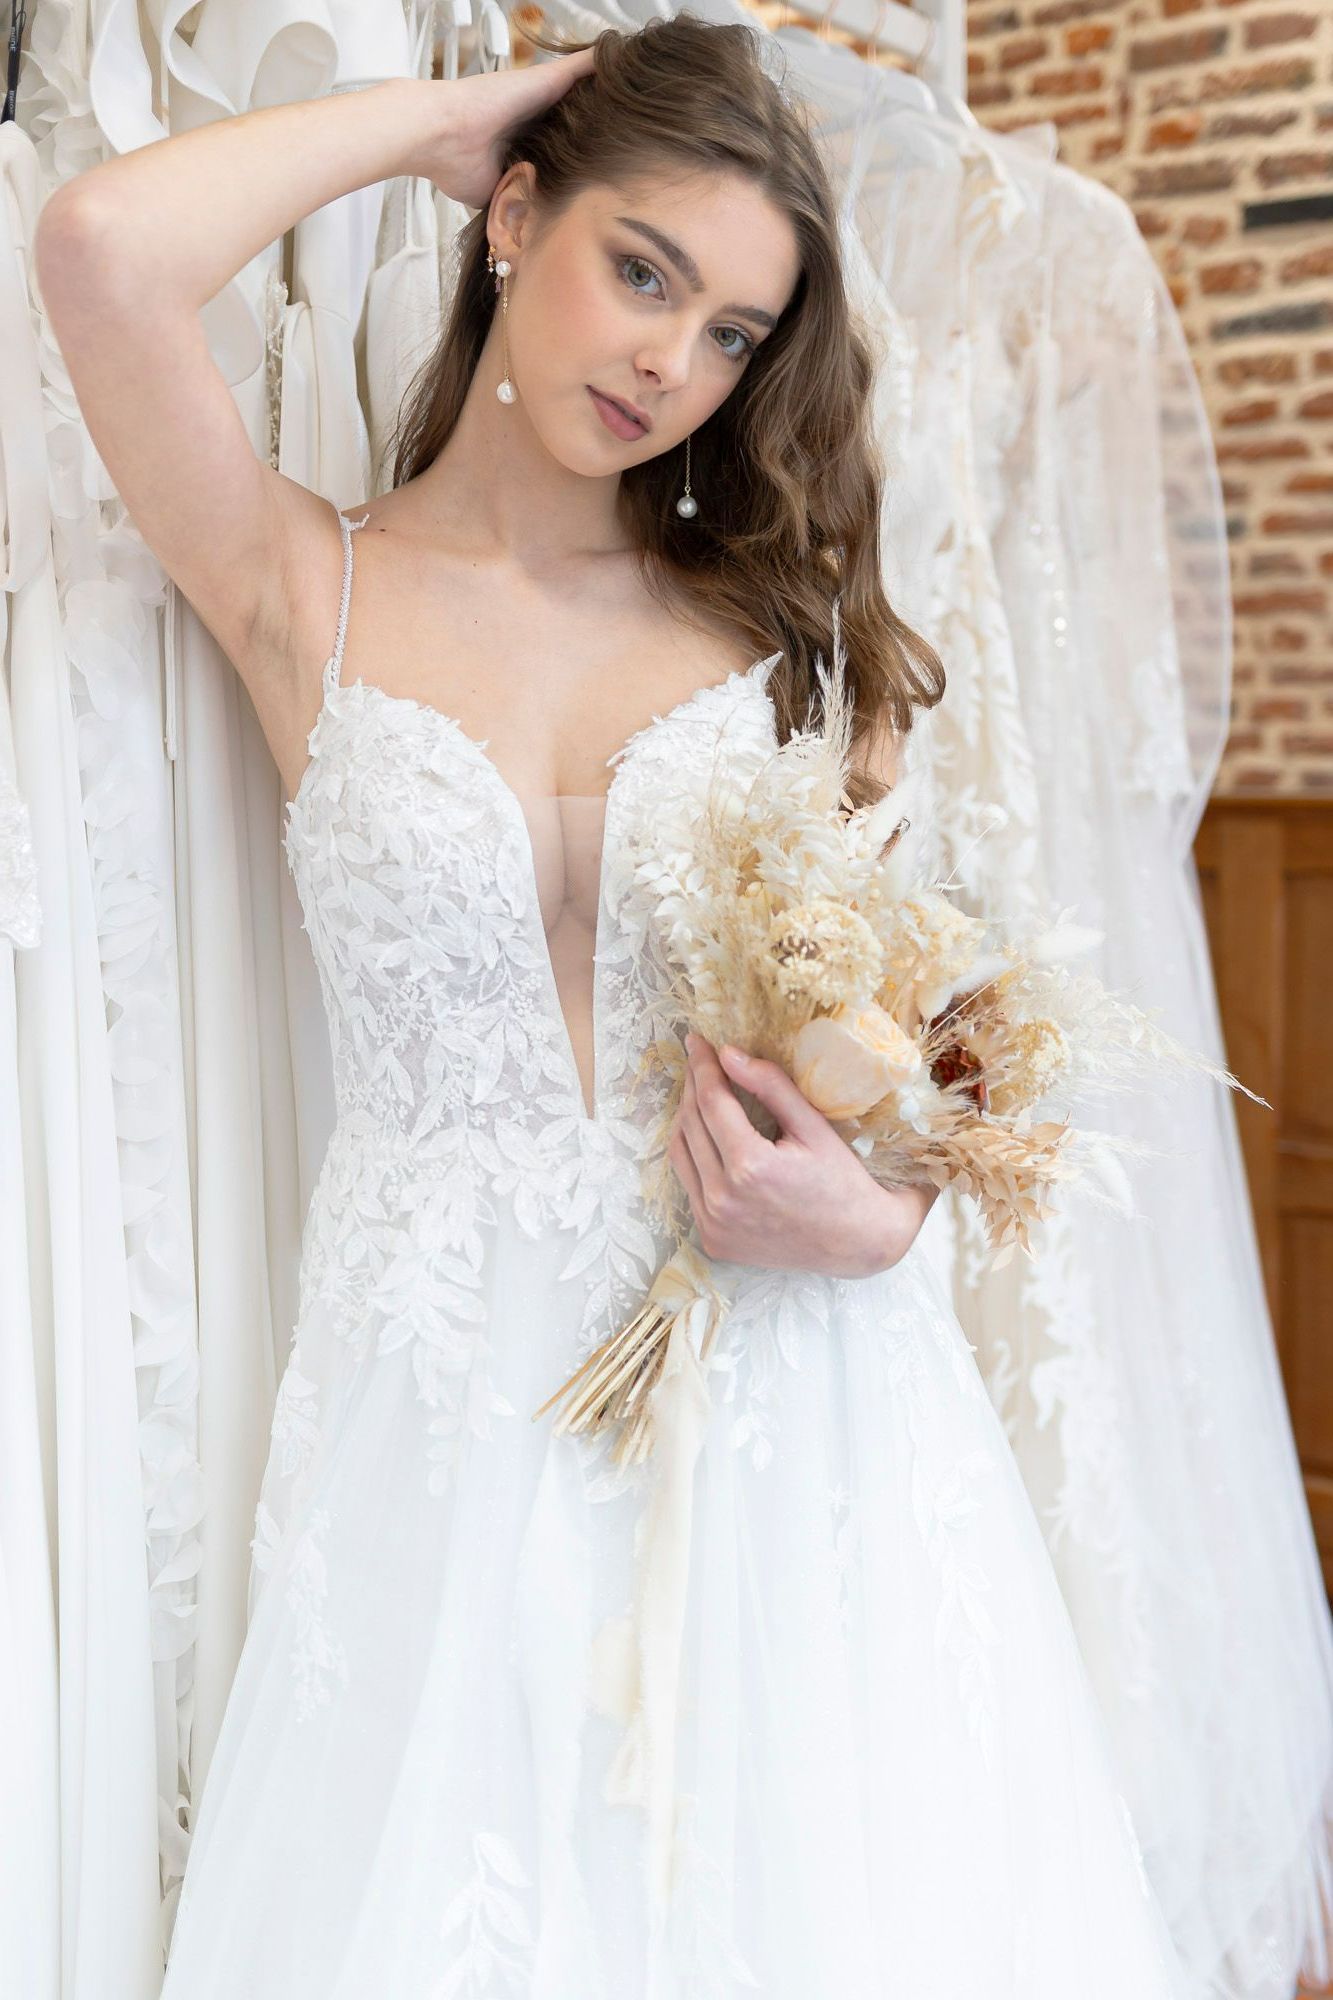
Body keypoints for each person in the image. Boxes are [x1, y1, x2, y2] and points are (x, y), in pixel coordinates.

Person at [36, 17, 1195, 1995]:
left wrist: (884, 1211)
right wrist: (458, 115)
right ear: (514, 218)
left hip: (797, 1395)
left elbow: (954, 1039)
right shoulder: (296, 581)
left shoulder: (782, 628)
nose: (672, 360)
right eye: (640, 267)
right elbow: (98, 248)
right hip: (440, 1393)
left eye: (735, 329)